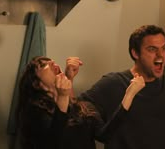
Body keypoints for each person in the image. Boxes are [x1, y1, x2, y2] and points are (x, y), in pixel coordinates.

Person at [17, 56, 145, 149]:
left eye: (52, 60)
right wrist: (62, 96)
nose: (52, 62)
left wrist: (129, 94)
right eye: (42, 65)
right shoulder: (33, 112)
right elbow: (54, 142)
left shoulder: (79, 107)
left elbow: (104, 135)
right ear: (36, 83)